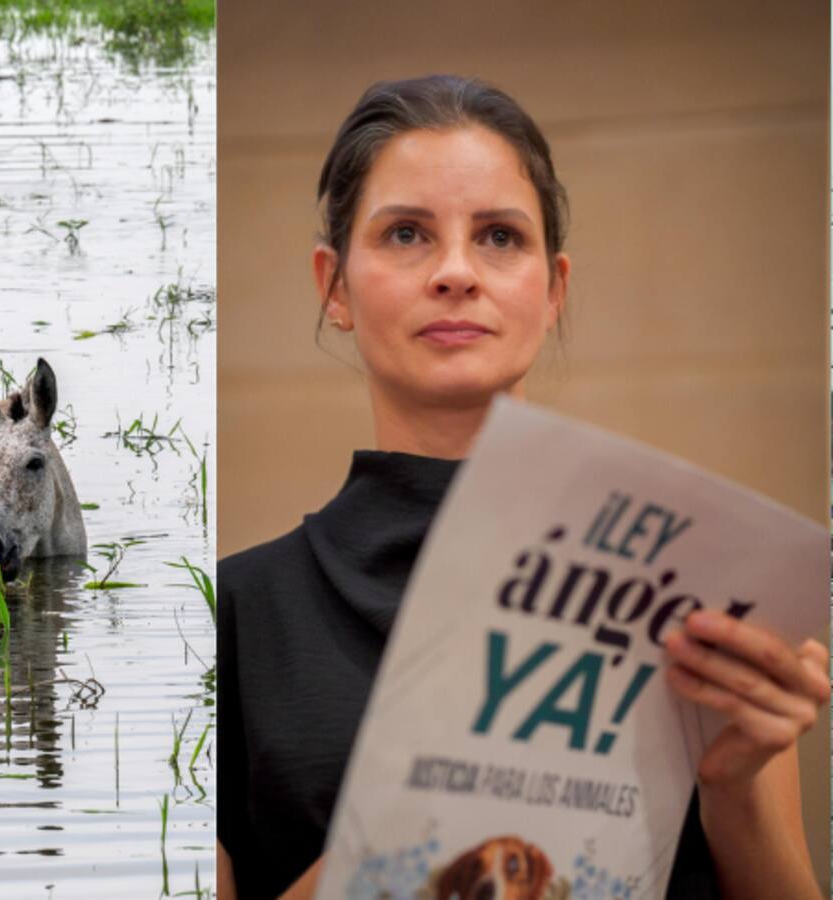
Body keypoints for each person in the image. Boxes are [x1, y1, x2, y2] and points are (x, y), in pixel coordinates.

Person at [216, 75, 829, 900]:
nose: (457, 272)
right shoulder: (232, 619)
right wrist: (400, 848)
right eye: (406, 234)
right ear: (334, 287)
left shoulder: (690, 582)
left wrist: (733, 791)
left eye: (500, 236)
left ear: (554, 290)